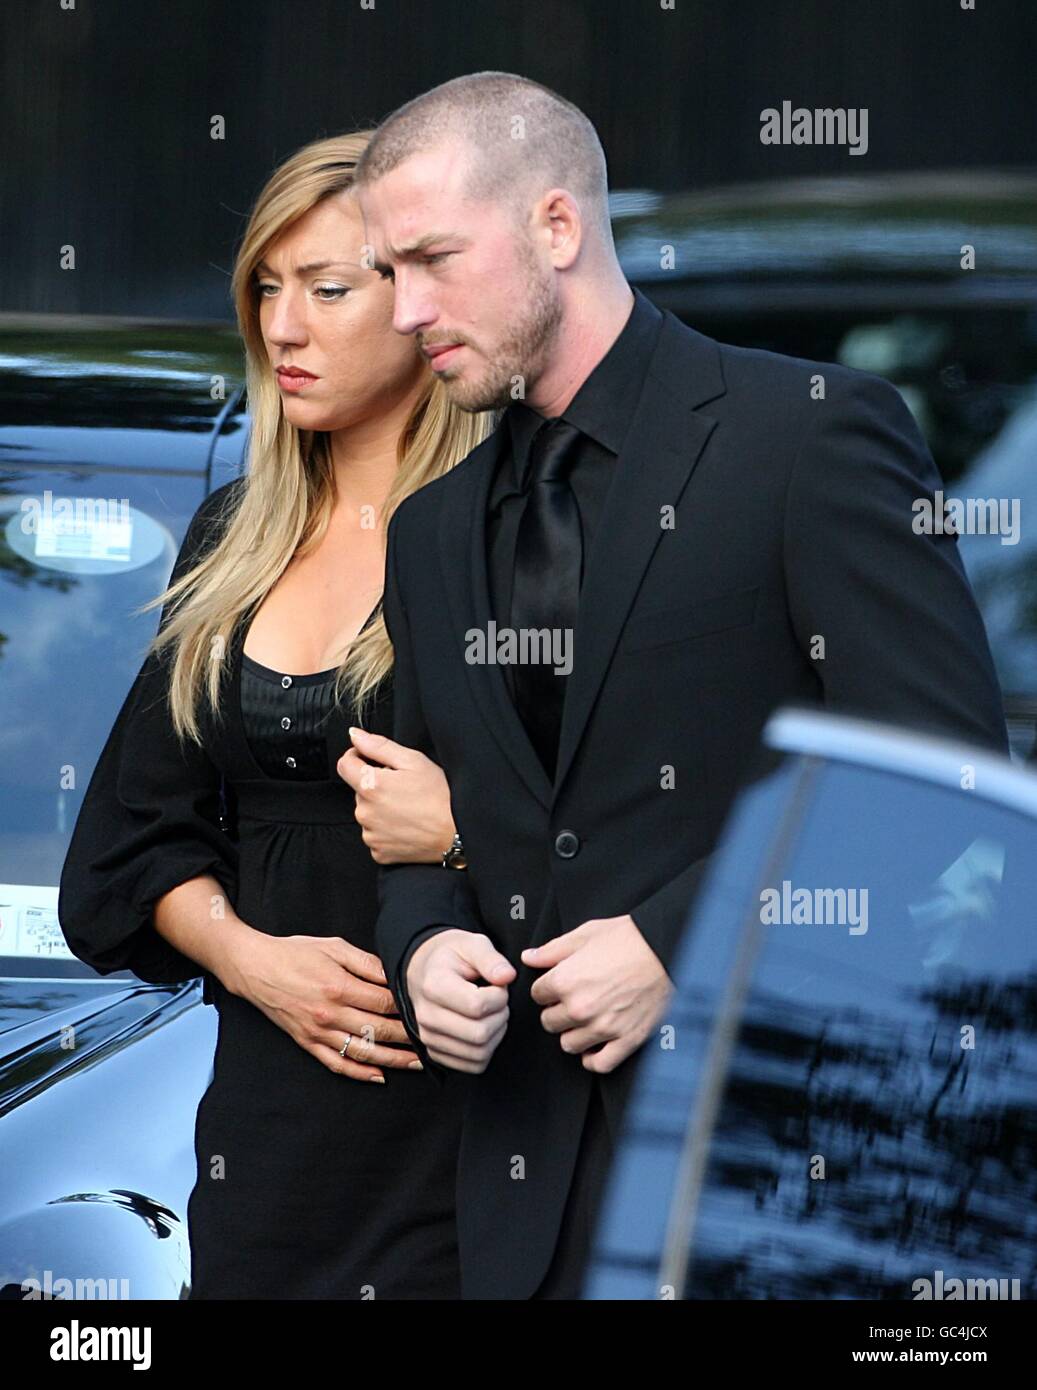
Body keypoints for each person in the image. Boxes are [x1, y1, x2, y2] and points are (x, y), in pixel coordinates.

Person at [344, 71, 1010, 1300]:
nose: (404, 310)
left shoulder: (808, 434)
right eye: (387, 272)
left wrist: (679, 943)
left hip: (771, 1181)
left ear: (556, 226)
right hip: (515, 1208)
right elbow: (417, 837)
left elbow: (939, 780)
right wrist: (425, 951)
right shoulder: (431, 532)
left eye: (432, 258)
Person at [58, 130, 495, 1299]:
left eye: (326, 288)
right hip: (262, 1127)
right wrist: (253, 963)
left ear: (419, 298)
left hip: (462, 1123)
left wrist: (464, 829)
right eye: (264, 285)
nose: (280, 325)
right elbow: (130, 837)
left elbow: (618, 836)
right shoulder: (233, 536)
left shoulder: (520, 537)